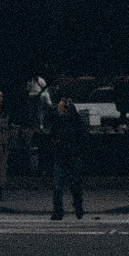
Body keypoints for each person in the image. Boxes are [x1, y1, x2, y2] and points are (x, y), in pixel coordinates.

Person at [43, 84, 86, 221]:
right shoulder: (54, 111)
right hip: (63, 152)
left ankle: (76, 207)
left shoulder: (70, 111)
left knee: (74, 184)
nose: (64, 103)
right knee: (59, 185)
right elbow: (47, 127)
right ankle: (59, 211)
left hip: (70, 152)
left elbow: (80, 129)